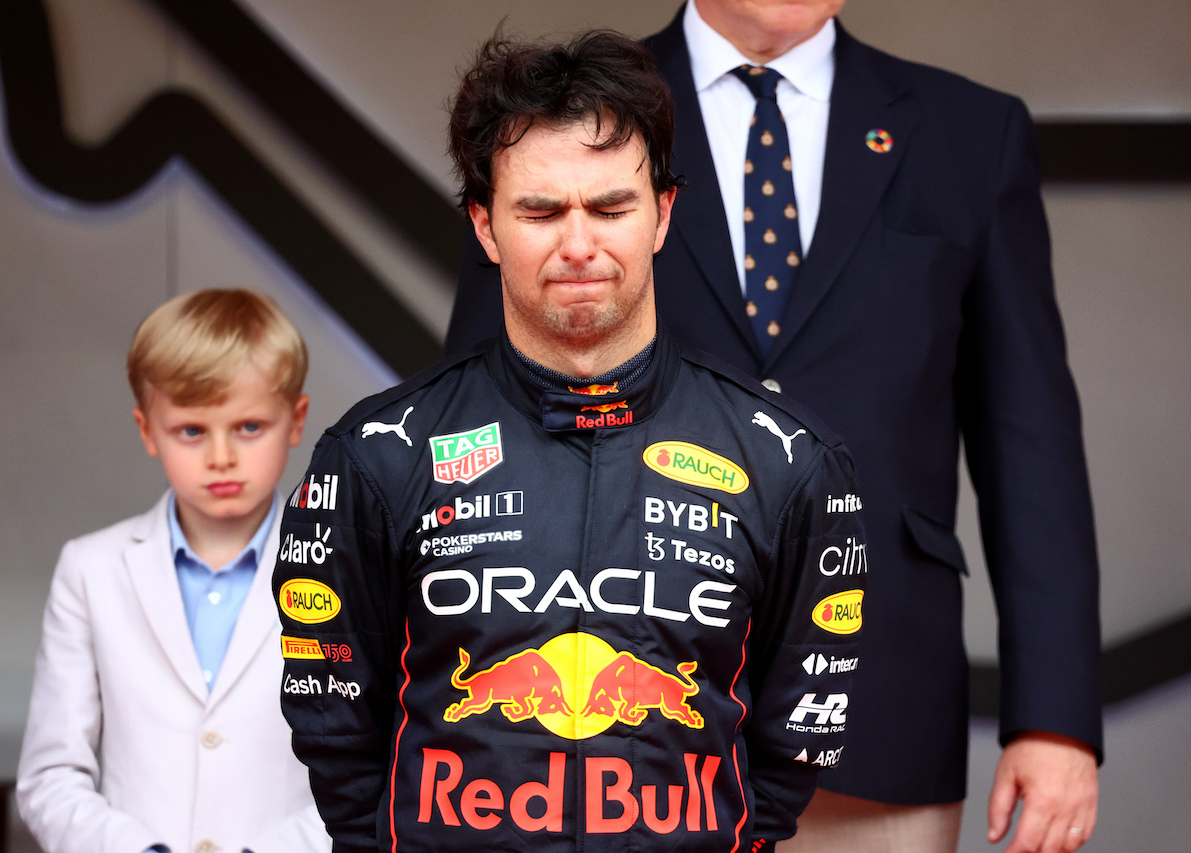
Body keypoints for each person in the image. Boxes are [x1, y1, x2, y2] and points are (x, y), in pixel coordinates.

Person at [447, 3, 1103, 853]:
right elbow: (477, 412)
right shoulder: (554, 114)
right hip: (606, 700)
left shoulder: (968, 132)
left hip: (877, 704)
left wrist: (1055, 721)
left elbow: (1031, 445)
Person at [275, 30, 869, 852]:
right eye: (542, 210)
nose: (580, 243)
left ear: (663, 212)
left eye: (611, 207)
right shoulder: (376, 456)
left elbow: (791, 743)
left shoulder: (789, 462)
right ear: (485, 227)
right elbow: (338, 734)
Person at [17, 289, 329, 853]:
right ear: (146, 429)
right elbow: (50, 776)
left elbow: (374, 769)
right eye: (191, 430)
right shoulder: (90, 571)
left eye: (249, 426)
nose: (221, 457)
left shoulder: (346, 568)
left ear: (296, 419)